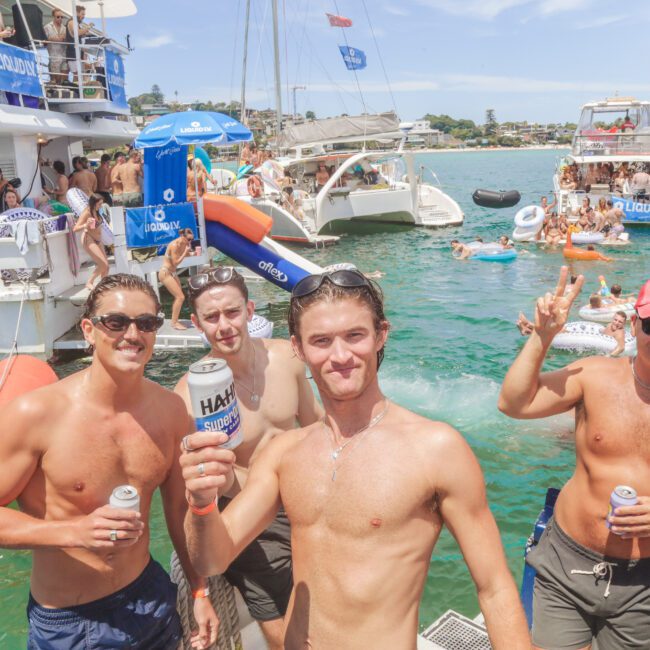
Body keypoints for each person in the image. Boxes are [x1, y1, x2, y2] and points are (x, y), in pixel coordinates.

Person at [180, 269, 530, 650]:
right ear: (298, 348)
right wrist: (200, 502)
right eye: (322, 341)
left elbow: (495, 588)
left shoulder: (435, 449)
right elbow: (212, 559)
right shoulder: (284, 453)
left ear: (381, 334)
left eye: (355, 336)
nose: (340, 355)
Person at [0, 274, 218, 650]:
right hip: (70, 619)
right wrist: (73, 532)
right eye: (116, 322)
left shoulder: (170, 412)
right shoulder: (35, 414)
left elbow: (179, 510)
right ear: (88, 329)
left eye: (147, 323)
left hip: (151, 599)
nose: (132, 334)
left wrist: (200, 590)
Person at [499, 268, 650, 650]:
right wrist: (543, 335)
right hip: (567, 564)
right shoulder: (596, 376)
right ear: (636, 325)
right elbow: (515, 403)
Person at [174, 266, 323, 649]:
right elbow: (183, 499)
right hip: (251, 524)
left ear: (250, 311)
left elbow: (316, 427)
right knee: (290, 638)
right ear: (196, 324)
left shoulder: (287, 360)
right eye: (211, 317)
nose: (224, 325)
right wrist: (199, 589)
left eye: (232, 312)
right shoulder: (188, 397)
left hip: (306, 501)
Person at [158, 228, 195, 330]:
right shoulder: (174, 245)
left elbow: (185, 254)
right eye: (188, 239)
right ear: (183, 236)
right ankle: (174, 323)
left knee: (178, 297)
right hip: (165, 273)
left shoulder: (184, 244)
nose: (190, 241)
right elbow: (175, 262)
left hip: (173, 273)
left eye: (192, 239)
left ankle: (175, 320)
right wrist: (185, 252)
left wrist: (192, 253)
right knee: (180, 297)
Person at [73, 193, 109, 290]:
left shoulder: (97, 211)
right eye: (99, 204)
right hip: (88, 238)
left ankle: (103, 286)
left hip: (97, 239)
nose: (101, 206)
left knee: (106, 267)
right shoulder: (87, 213)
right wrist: (85, 225)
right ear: (93, 203)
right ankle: (89, 282)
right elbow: (75, 228)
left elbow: (97, 226)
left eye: (101, 204)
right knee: (103, 264)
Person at [44, 9, 68, 86]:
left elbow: (64, 38)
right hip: (53, 57)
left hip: (63, 56)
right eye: (58, 17)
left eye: (62, 17)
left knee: (63, 80)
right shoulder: (47, 27)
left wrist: (53, 38)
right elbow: (44, 40)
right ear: (53, 17)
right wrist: (53, 38)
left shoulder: (64, 28)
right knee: (56, 80)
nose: (60, 18)